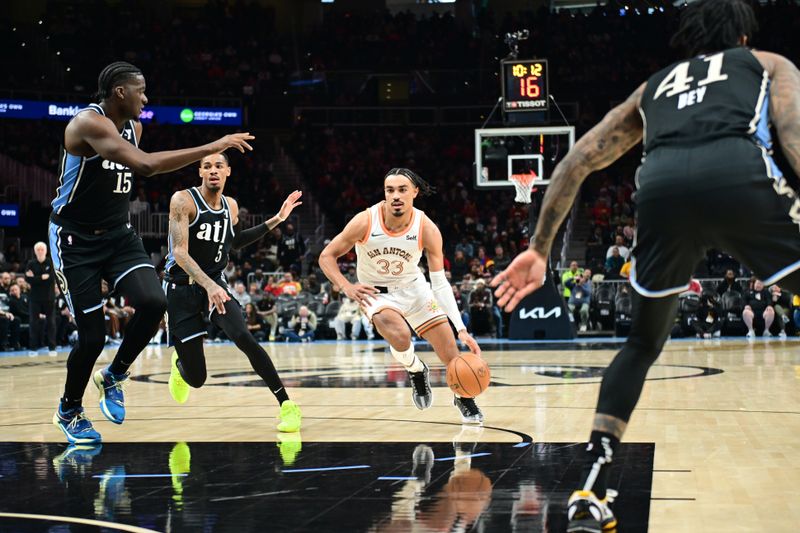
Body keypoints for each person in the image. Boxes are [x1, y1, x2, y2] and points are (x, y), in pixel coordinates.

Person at [490, 2, 800, 530]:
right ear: (743, 35)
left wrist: (540, 248)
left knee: (640, 345)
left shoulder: (656, 85)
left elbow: (576, 160)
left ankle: (593, 484)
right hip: (736, 173)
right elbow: (792, 135)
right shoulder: (768, 63)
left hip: (660, 192)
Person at [49, 61, 254, 445]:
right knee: (92, 339)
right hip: (75, 239)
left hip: (118, 235)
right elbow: (144, 166)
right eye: (140, 91)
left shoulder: (135, 127)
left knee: (154, 301)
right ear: (120, 93)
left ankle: (113, 375)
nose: (146, 98)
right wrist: (213, 146)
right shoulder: (86, 123)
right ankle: (69, 409)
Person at [318, 168, 485, 424]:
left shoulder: (426, 227)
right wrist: (346, 287)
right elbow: (326, 256)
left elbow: (439, 283)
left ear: (415, 193)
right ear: (385, 194)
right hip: (376, 293)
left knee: (451, 353)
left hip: (415, 289)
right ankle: (416, 369)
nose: (395, 195)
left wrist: (461, 329)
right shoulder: (365, 221)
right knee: (400, 334)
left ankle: (462, 395)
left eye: (402, 190)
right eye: (390, 190)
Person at [164, 152, 303, 432]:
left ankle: (287, 406)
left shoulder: (231, 206)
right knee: (197, 378)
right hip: (182, 287)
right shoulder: (183, 201)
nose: (213, 170)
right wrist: (209, 285)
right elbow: (179, 252)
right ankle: (180, 365)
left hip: (215, 283)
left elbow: (235, 242)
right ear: (200, 172)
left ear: (228, 171)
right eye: (207, 166)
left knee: (243, 336)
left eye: (218, 166)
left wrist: (277, 218)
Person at [25, 242, 56, 351]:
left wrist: (36, 278)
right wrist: (42, 278)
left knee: (51, 322)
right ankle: (33, 346)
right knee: (34, 322)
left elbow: (51, 278)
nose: (40, 251)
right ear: (35, 251)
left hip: (49, 298)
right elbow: (28, 279)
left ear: (46, 251)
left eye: (42, 249)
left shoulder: (51, 262)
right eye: (38, 249)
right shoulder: (30, 263)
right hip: (35, 298)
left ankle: (52, 346)